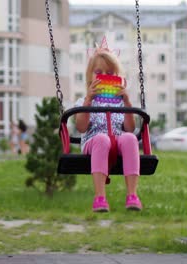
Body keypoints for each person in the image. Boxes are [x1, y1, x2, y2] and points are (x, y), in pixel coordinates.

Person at [74, 38, 141, 213]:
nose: (104, 76)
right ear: (90, 77)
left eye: (110, 73)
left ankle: (132, 195)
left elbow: (130, 127)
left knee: (129, 138)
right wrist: (88, 100)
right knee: (102, 139)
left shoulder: (120, 103)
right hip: (94, 142)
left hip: (118, 141)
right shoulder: (84, 101)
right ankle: (100, 197)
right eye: (99, 72)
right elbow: (81, 127)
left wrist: (126, 101)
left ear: (118, 78)